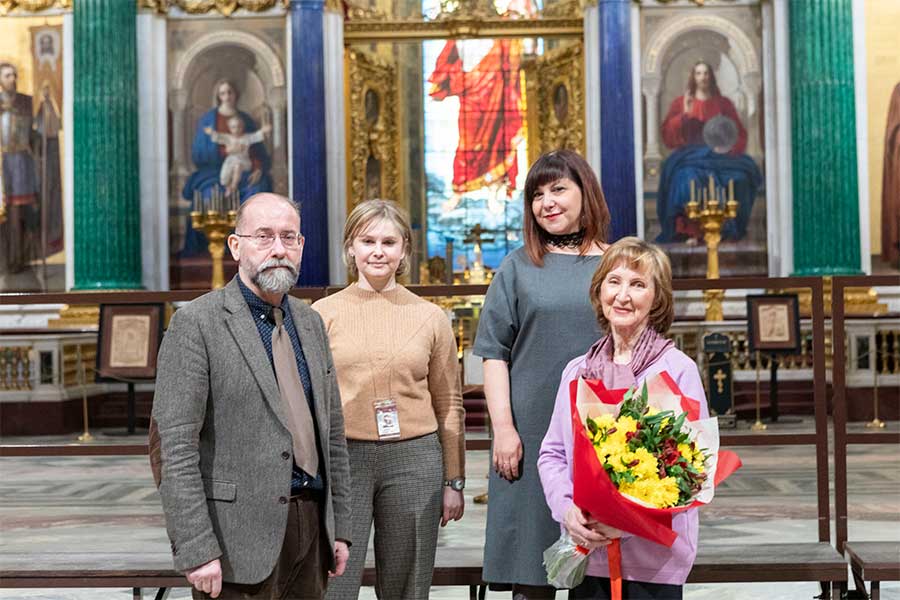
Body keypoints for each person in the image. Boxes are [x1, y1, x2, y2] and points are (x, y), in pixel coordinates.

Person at [152, 192, 351, 599]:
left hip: (311, 531)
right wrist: (196, 547)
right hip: (234, 541)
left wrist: (340, 528)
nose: (278, 249)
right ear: (235, 246)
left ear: (301, 246)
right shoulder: (197, 324)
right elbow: (174, 448)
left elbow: (332, 435)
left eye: (288, 237)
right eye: (263, 236)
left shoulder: (310, 323)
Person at [538, 237, 708, 600]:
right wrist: (567, 511)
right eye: (614, 281)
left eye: (638, 284)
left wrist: (626, 523)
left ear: (657, 298)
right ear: (599, 291)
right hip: (588, 551)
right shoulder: (576, 371)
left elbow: (694, 471)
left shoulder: (677, 371)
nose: (623, 295)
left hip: (655, 561)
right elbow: (552, 454)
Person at [473, 149, 610, 599]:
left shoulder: (616, 265)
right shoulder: (517, 267)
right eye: (536, 195)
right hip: (531, 432)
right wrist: (504, 429)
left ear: (585, 192)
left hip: (605, 430)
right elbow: (494, 355)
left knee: (600, 568)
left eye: (558, 189)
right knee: (532, 572)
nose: (547, 202)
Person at [312, 199, 465, 599]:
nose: (378, 251)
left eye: (388, 242)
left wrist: (454, 479)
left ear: (404, 251)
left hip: (414, 458)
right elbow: (308, 400)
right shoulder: (322, 315)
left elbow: (449, 403)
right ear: (350, 248)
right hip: (344, 458)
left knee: (407, 584)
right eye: (367, 241)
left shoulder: (430, 317)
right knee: (334, 582)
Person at [656, 61, 762, 244]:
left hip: (721, 156)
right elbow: (668, 136)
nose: (702, 77)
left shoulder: (724, 104)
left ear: (711, 77)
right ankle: (692, 232)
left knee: (741, 178)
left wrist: (726, 147)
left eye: (706, 73)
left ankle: (728, 230)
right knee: (685, 178)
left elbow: (738, 133)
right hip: (690, 157)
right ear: (693, 77)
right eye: (698, 73)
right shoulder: (681, 103)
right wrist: (685, 113)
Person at [181, 79, 272, 254]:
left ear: (236, 94)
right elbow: (200, 152)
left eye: (230, 92)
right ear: (218, 96)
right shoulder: (209, 120)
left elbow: (257, 150)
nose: (227, 96)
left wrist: (258, 168)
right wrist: (224, 152)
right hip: (214, 172)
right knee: (208, 195)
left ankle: (254, 249)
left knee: (257, 191)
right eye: (223, 93)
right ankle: (210, 249)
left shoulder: (246, 120)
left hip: (245, 170)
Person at [0, 62, 39, 274]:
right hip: (4, 162)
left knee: (25, 212)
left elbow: (34, 133)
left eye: (14, 75)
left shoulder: (25, 102)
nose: (12, 79)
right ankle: (9, 259)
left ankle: (21, 258)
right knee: (8, 213)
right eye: (7, 76)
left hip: (22, 163)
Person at [204, 115, 272, 198]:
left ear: (242, 127)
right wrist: (211, 132)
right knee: (224, 176)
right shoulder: (228, 138)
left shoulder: (247, 137)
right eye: (233, 127)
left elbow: (256, 136)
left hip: (243, 161)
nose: (236, 129)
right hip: (230, 160)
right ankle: (227, 187)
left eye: (239, 127)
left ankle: (234, 186)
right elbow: (218, 137)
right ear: (229, 128)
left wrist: (263, 130)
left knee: (238, 167)